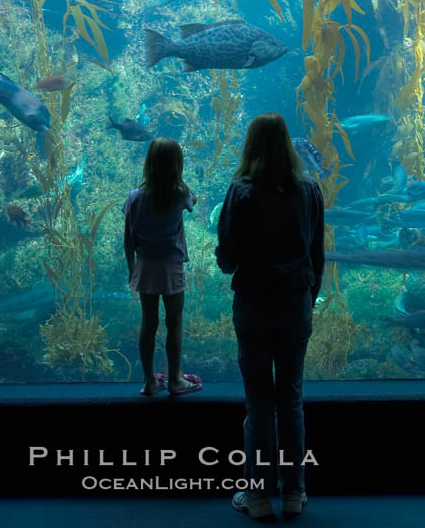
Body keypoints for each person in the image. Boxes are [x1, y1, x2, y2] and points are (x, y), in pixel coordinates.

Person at [216, 113, 325, 520]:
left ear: (250, 145)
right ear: (287, 145)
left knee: (259, 402)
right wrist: (307, 297)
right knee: (291, 399)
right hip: (295, 304)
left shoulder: (241, 191)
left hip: (254, 305)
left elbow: (227, 259)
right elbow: (317, 255)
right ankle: (294, 492)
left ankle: (258, 496)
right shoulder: (309, 189)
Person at [123, 136, 202, 397]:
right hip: (171, 266)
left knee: (149, 323)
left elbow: (128, 237)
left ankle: (149, 381)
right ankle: (176, 379)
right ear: (177, 164)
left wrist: (131, 267)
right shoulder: (179, 194)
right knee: (174, 323)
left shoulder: (135, 196)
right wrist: (179, 178)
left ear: (149, 163)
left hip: (144, 266)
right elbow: (195, 201)